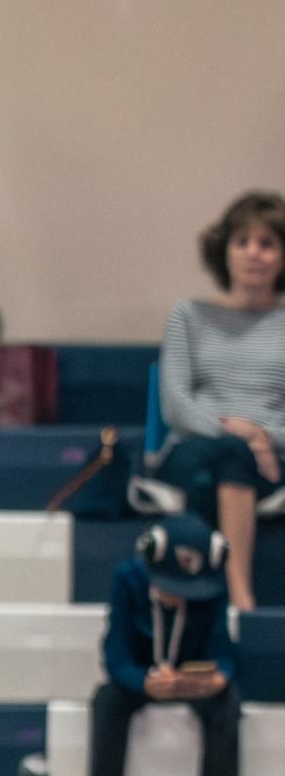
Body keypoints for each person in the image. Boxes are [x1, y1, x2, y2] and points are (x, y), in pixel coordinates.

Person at [145, 190, 285, 612]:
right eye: (241, 241)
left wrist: (262, 436)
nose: (253, 254)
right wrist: (243, 432)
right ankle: (239, 594)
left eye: (267, 243)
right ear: (223, 251)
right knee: (231, 452)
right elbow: (176, 407)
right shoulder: (188, 317)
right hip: (195, 446)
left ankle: (196, 593)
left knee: (230, 464)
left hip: (270, 457)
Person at [90, 514, 239, 776]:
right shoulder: (127, 578)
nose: (179, 597)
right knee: (107, 698)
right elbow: (116, 656)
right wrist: (144, 681)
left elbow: (223, 650)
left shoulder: (215, 584)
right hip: (143, 676)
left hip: (193, 681)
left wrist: (215, 679)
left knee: (227, 702)